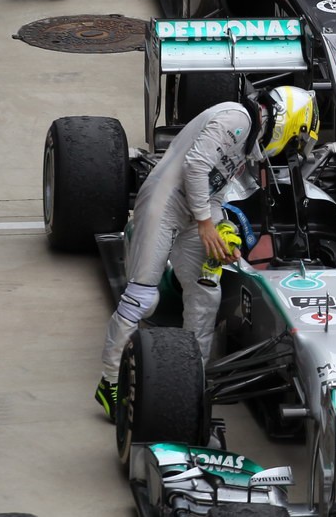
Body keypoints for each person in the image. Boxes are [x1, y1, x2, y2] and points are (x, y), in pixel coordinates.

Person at [95, 85, 319, 421]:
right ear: (288, 123)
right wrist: (205, 224)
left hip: (194, 212)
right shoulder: (236, 118)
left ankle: (189, 376)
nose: (285, 149)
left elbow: (214, 190)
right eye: (292, 140)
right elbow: (196, 167)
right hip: (165, 202)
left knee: (206, 291)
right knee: (142, 297)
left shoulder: (247, 142)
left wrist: (221, 227)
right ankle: (109, 380)